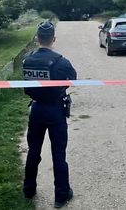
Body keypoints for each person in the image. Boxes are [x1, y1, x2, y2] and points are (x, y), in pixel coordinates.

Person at [22, 21, 77, 208]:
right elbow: (73, 79)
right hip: (55, 111)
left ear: (37, 38)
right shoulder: (61, 61)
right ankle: (61, 195)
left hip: (36, 110)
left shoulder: (27, 59)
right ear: (53, 39)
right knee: (59, 154)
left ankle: (28, 190)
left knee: (33, 151)